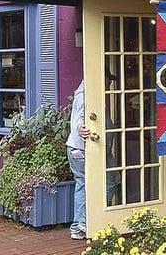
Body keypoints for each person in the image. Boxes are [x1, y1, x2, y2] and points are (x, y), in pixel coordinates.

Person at [66, 80, 89, 240]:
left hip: (75, 147)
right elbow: (77, 120)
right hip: (80, 148)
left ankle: (78, 227)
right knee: (108, 181)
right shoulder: (84, 93)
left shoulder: (84, 91)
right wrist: (80, 128)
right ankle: (83, 221)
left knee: (81, 183)